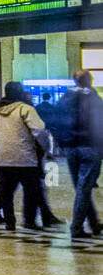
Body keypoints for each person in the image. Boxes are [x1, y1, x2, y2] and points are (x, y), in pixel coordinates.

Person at [0, 82, 45, 232]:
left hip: (0, 155)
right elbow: (39, 130)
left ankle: (9, 221)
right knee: (30, 190)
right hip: (24, 156)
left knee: (5, 191)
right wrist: (45, 148)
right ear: (20, 93)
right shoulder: (25, 109)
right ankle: (29, 221)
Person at [58, 70, 103, 238]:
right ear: (88, 80)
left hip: (71, 148)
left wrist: (63, 143)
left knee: (81, 188)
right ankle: (76, 227)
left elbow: (57, 122)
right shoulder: (94, 99)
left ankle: (94, 223)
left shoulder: (65, 99)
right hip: (90, 147)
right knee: (84, 188)